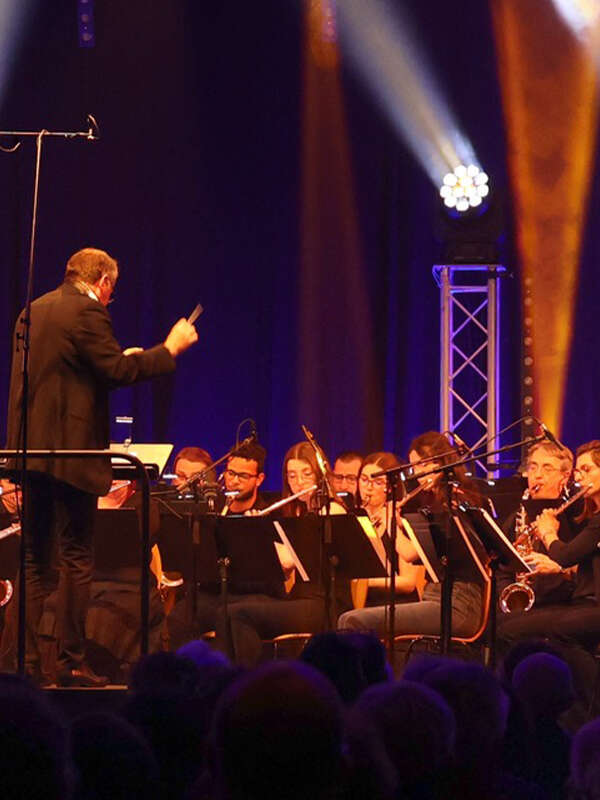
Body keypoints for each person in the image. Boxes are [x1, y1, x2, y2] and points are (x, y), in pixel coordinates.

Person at [4, 247, 198, 686]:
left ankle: (25, 663)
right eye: (113, 291)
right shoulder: (89, 310)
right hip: (73, 456)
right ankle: (71, 663)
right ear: (104, 282)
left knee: (34, 561)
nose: (111, 299)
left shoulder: (32, 310)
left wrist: (115, 358)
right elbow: (116, 373)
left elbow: (62, 379)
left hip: (31, 453)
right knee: (75, 558)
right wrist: (169, 348)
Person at [338, 431, 484, 642]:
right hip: (434, 596)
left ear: (443, 462)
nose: (419, 472)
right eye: (415, 466)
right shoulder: (429, 504)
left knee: (352, 621)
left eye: (424, 464)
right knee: (348, 616)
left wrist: (390, 523)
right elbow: (413, 553)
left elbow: (410, 556)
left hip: (459, 602)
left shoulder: (454, 502)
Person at [498, 439, 600, 721]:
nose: (581, 478)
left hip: (587, 603)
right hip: (587, 601)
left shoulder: (588, 519)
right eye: (579, 472)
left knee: (557, 631)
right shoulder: (591, 514)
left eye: (587, 470)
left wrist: (547, 533)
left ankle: (585, 709)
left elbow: (567, 556)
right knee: (511, 627)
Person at [352, 452, 424, 609]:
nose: (368, 488)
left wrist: (364, 582)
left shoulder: (400, 521)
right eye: (364, 480)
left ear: (390, 488)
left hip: (395, 603)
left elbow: (408, 583)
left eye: (377, 482)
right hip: (362, 601)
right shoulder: (351, 518)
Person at [221, 441, 267, 514]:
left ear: (259, 479)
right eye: (231, 473)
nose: (235, 481)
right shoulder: (213, 508)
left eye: (244, 476)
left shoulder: (266, 516)